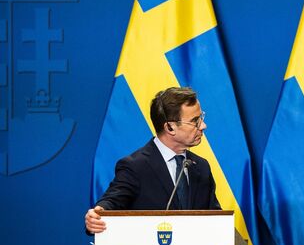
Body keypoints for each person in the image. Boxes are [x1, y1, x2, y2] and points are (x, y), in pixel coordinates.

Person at [85, 87, 220, 234]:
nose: (203, 126)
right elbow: (113, 201)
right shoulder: (135, 167)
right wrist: (98, 215)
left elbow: (216, 220)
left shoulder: (201, 166)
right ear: (170, 127)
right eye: (195, 121)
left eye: (201, 118)